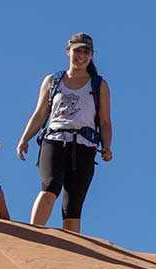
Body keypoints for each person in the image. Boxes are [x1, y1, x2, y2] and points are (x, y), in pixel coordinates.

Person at [16, 32, 113, 233]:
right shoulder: (53, 80)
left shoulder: (99, 85)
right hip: (55, 140)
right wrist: (25, 139)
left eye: (86, 51)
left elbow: (104, 121)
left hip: (84, 146)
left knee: (73, 204)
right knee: (50, 186)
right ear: (68, 52)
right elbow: (40, 113)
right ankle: (32, 234)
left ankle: (71, 252)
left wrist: (107, 146)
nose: (81, 56)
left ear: (92, 55)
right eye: (77, 51)